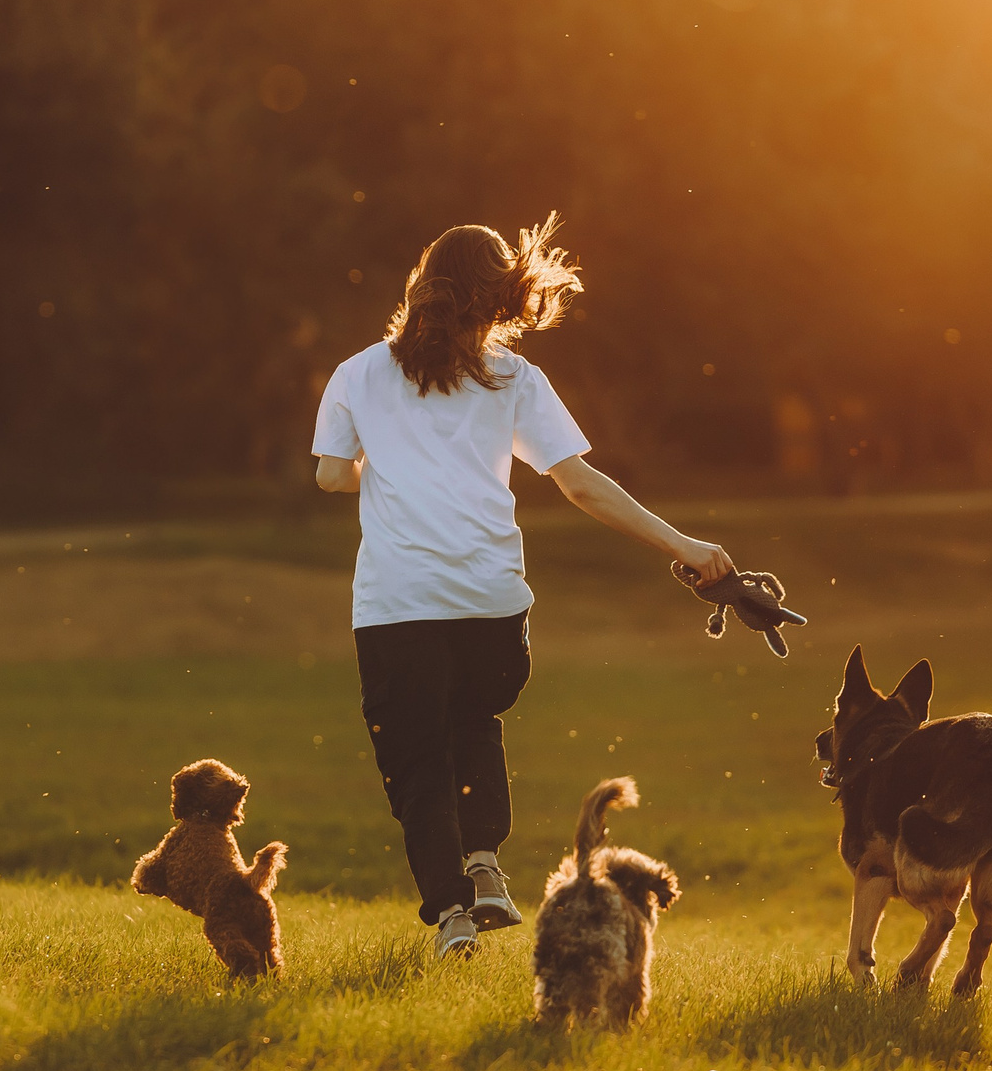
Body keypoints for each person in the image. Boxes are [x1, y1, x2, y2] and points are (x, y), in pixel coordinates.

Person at [312, 213, 736, 959]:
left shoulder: (358, 373)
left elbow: (328, 475)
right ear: (499, 297)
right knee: (474, 719)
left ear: (422, 288)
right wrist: (684, 544)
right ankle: (485, 861)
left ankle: (452, 915)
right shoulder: (515, 379)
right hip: (493, 608)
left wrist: (374, 469)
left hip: (397, 609)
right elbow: (579, 484)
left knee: (417, 761)